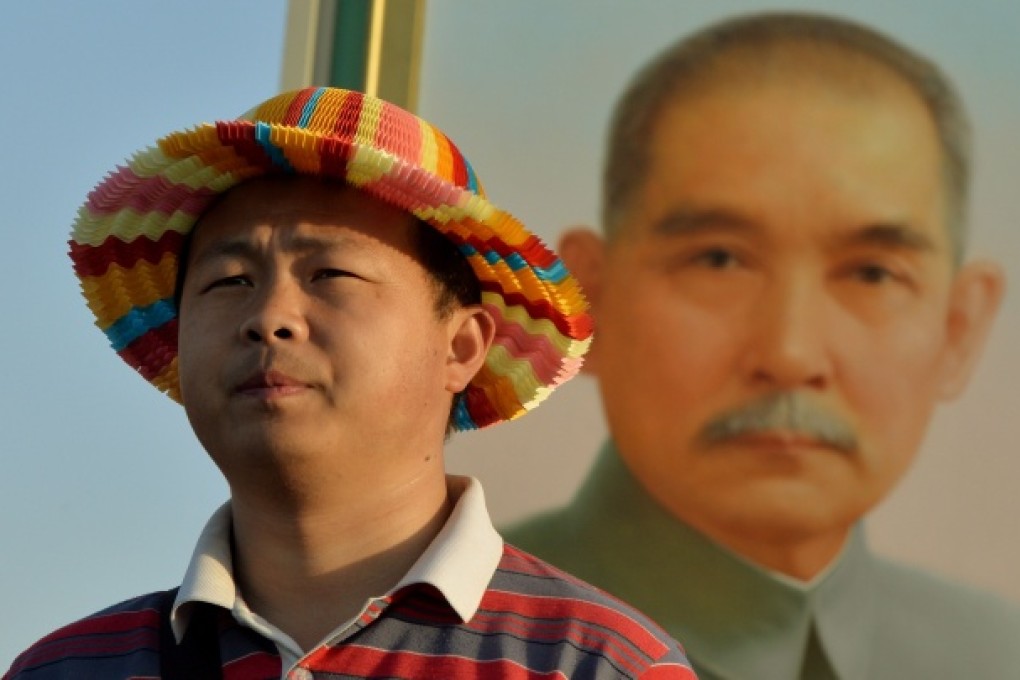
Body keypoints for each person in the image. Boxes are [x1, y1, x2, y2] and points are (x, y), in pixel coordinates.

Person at [5, 87, 697, 679]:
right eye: (229, 281)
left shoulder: (595, 664)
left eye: (329, 274)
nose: (269, 318)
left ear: (460, 347)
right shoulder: (70, 669)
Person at [505, 11, 1020, 680]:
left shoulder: (994, 655)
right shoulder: (432, 645)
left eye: (871, 273)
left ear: (958, 330)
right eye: (719, 260)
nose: (790, 354)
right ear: (586, 302)